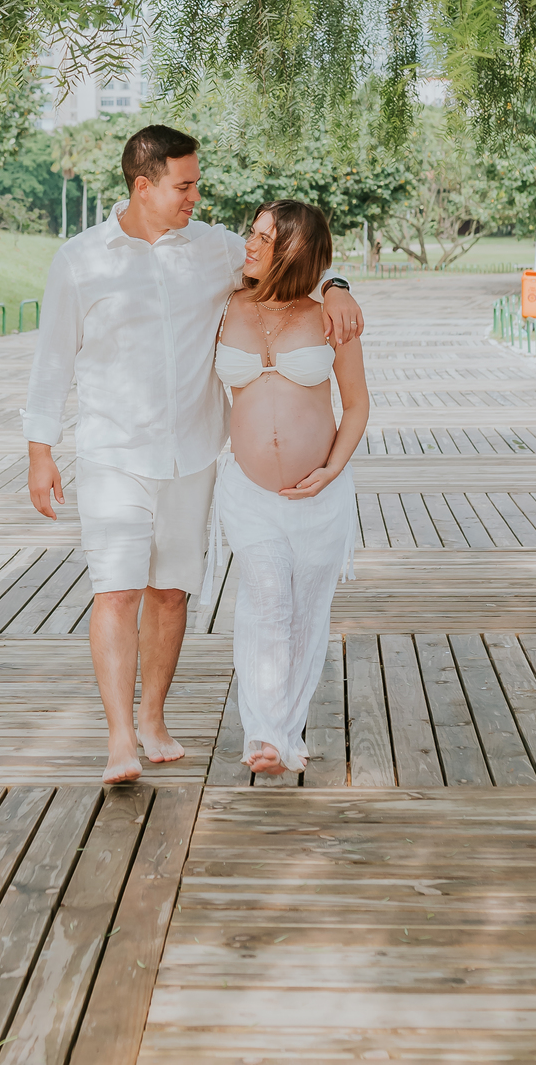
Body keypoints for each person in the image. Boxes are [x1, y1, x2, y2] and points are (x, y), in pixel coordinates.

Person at [23, 125, 363, 785]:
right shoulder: (80, 260)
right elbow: (51, 361)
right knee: (116, 590)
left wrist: (339, 284)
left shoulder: (214, 250)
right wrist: (40, 451)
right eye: (184, 185)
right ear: (142, 186)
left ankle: (153, 720)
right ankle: (120, 739)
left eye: (196, 183)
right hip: (113, 452)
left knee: (171, 595)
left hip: (194, 454)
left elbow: (292, 257)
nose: (196, 196)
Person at [212, 200, 368, 776]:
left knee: (307, 613)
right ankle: (264, 735)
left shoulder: (330, 318)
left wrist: (332, 469)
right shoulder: (224, 304)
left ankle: (286, 734)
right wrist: (338, 281)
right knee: (268, 598)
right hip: (248, 491)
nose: (249, 245)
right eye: (251, 233)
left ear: (294, 251)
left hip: (319, 495)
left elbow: (357, 404)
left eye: (265, 238)